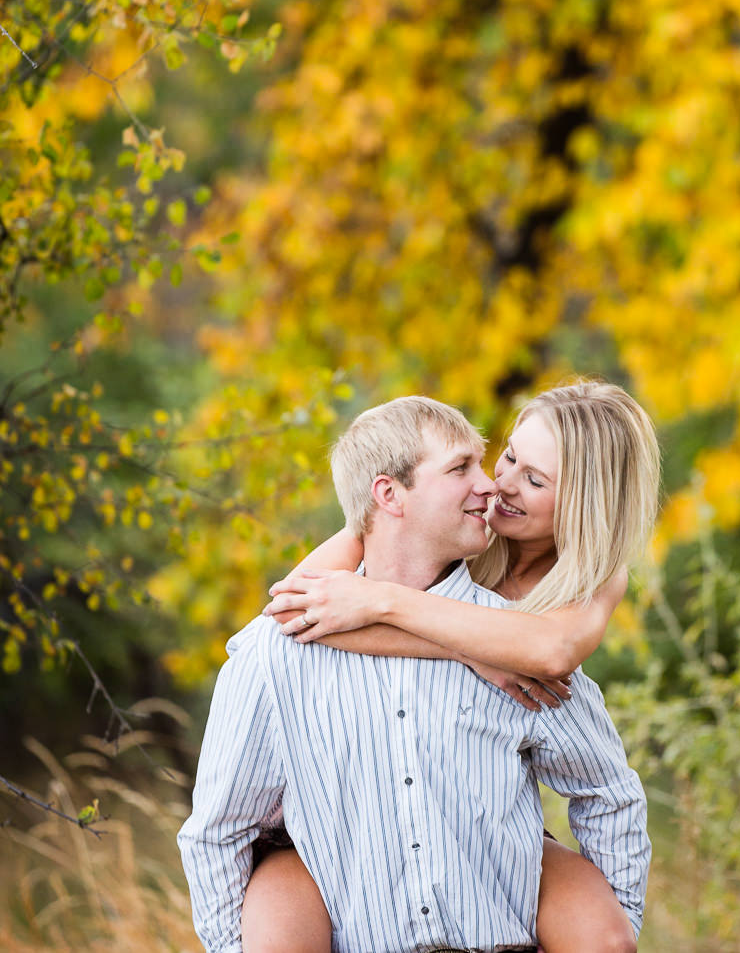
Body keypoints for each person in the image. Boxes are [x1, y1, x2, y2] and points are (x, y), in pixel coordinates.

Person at [178, 393, 652, 953]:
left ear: (580, 505)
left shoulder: (584, 578)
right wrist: (468, 650)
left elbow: (551, 660)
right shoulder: (446, 525)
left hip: (479, 845)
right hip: (320, 843)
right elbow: (290, 617)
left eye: (536, 479)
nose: (497, 484)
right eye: (506, 459)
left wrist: (418, 619)